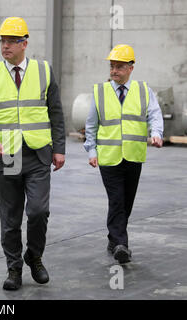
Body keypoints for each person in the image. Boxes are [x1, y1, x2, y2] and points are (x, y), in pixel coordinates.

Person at [0, 17, 66, 291]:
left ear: (25, 43)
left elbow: (56, 113)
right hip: (6, 156)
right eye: (2, 40)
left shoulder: (44, 71)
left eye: (11, 41)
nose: (5, 46)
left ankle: (34, 256)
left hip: (38, 153)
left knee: (38, 212)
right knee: (10, 218)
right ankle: (14, 267)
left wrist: (59, 148)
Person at [84, 44, 164, 264]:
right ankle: (122, 245)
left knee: (126, 202)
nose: (114, 71)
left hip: (134, 156)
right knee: (117, 200)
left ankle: (113, 237)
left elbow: (154, 115)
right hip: (108, 158)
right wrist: (92, 150)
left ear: (131, 68)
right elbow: (91, 125)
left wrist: (156, 133)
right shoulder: (100, 92)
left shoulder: (143, 90)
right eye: (112, 66)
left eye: (119, 67)